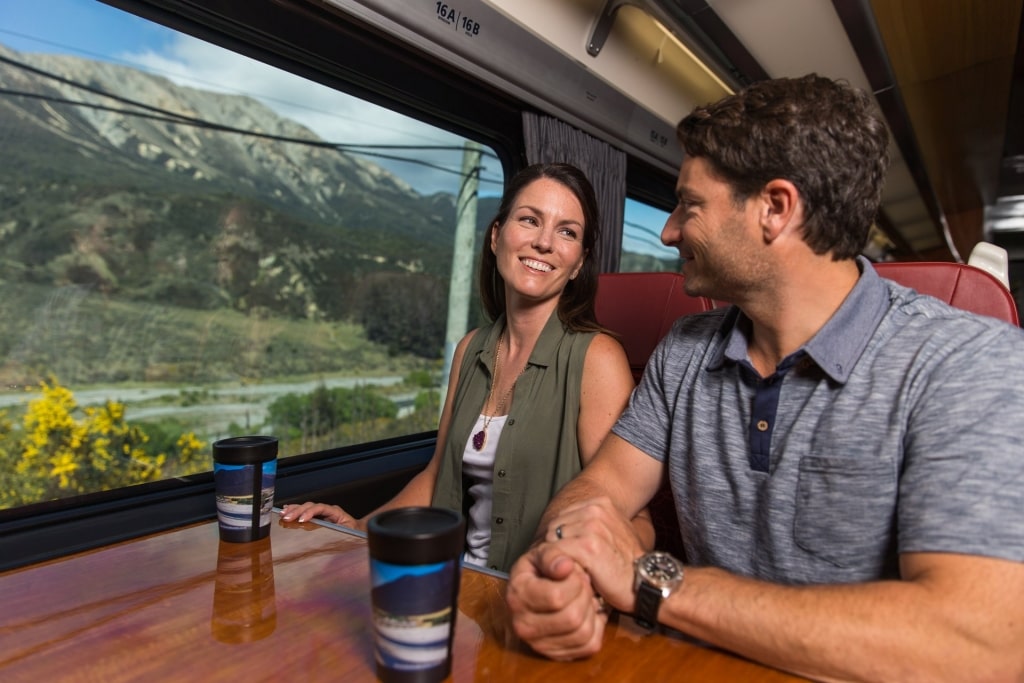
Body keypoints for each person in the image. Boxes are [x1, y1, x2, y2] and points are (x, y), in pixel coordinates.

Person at [505, 75, 1024, 681]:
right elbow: (601, 490)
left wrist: (656, 587)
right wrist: (561, 562)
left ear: (775, 209)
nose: (670, 231)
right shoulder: (685, 353)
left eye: (689, 205)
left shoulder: (968, 364)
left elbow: (983, 644)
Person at [282, 162, 648, 573]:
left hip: (531, 597)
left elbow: (633, 519)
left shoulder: (598, 358)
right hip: (460, 583)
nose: (544, 242)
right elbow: (438, 476)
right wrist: (357, 527)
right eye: (529, 220)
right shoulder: (470, 349)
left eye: (567, 231)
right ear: (496, 236)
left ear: (578, 263)